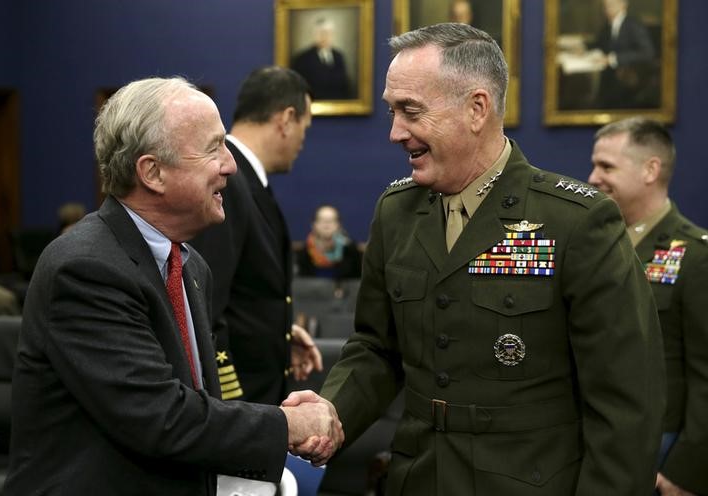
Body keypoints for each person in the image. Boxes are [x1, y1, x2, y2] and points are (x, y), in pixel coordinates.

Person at [285, 22, 665, 494]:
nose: (394, 133)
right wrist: (331, 411)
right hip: (417, 477)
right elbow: (376, 348)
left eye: (410, 111)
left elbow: (626, 404)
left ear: (476, 108)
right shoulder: (396, 212)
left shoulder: (576, 221)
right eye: (391, 111)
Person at [3, 76, 342, 495]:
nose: (231, 165)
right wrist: (285, 425)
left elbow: (199, 404)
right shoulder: (85, 267)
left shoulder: (189, 265)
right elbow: (159, 416)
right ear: (153, 172)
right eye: (212, 148)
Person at [589, 117, 708, 496]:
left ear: (650, 170)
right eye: (595, 165)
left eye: (606, 166)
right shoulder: (594, 247)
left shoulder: (695, 256)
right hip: (595, 445)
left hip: (662, 451)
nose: (593, 178)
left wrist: (687, 469)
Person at [191, 66, 322, 406]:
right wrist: (230, 401)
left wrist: (280, 334)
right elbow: (207, 302)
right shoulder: (229, 184)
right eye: (304, 130)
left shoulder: (248, 182)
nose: (301, 143)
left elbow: (246, 294)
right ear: (286, 119)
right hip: (240, 403)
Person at [588, 0, 656, 108]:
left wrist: (613, 59)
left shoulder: (633, 25)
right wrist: (583, 47)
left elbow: (647, 53)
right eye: (605, 6)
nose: (607, 9)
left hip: (629, 81)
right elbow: (600, 44)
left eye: (611, 5)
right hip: (609, 80)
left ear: (623, 5)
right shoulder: (608, 25)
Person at [291, 17, 351, 100]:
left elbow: (345, 86)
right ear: (314, 35)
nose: (324, 37)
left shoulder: (338, 56)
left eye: (328, 33)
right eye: (321, 33)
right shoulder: (302, 58)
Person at [295, 204, 362, 280]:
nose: (326, 224)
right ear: (313, 224)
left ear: (339, 225)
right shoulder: (305, 252)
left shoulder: (350, 250)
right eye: (321, 220)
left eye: (331, 220)